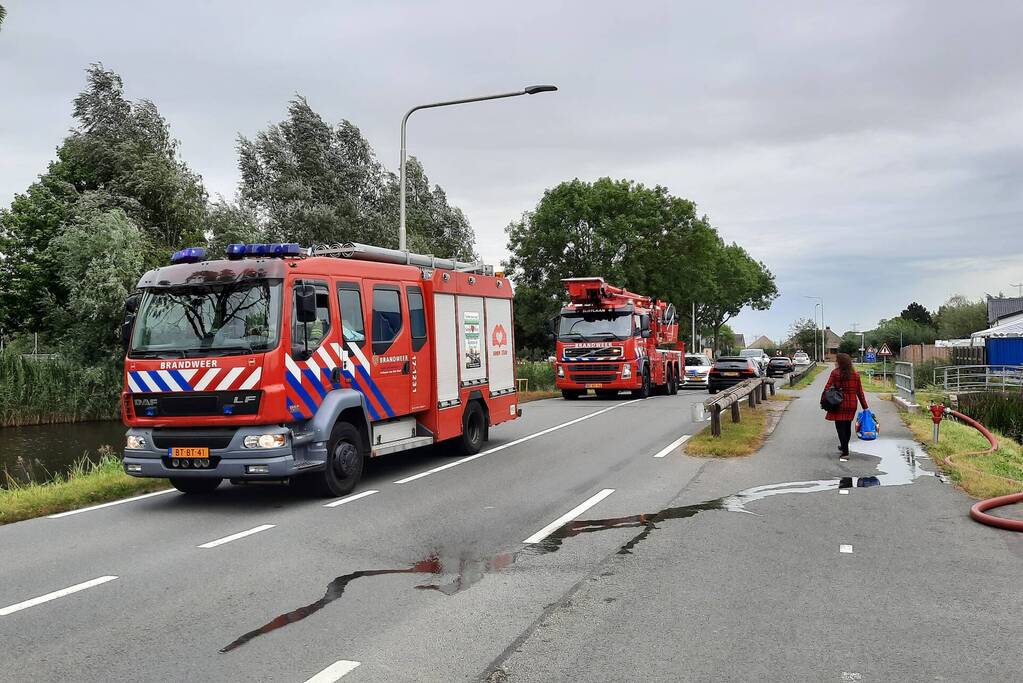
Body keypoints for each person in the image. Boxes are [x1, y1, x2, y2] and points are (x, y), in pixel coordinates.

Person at [822, 352, 868, 459]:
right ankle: (844, 447)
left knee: (840, 428)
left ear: (840, 362)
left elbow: (827, 388)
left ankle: (845, 452)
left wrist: (823, 401)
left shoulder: (835, 373)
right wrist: (865, 407)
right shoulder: (855, 374)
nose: (835, 362)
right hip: (852, 404)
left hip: (838, 403)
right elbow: (860, 392)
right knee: (847, 427)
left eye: (836, 360)